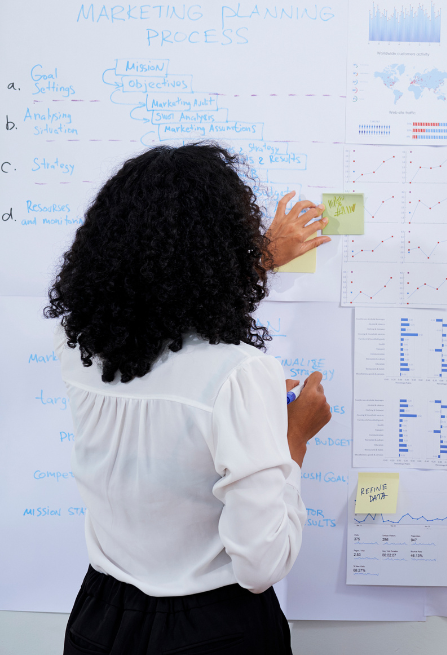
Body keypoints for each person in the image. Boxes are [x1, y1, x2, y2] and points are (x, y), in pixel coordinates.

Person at [45, 142, 334, 655]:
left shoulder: (81, 347)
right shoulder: (240, 375)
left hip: (98, 618)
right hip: (212, 629)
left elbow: (164, 313)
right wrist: (293, 438)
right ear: (224, 247)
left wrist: (260, 262)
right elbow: (261, 565)